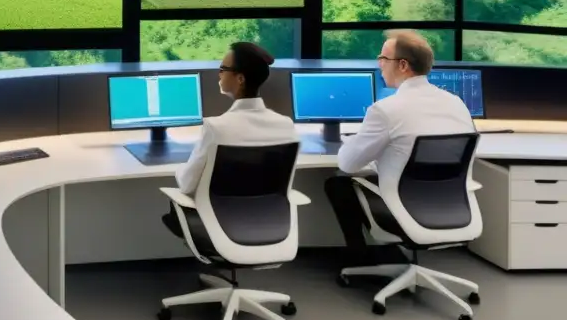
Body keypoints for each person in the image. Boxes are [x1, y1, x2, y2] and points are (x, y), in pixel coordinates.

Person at [324, 30, 476, 263]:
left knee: (338, 181)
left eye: (383, 59)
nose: (380, 65)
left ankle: (360, 256)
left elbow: (348, 163)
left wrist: (355, 141)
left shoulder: (386, 109)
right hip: (453, 208)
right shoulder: (457, 103)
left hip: (405, 209)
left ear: (403, 65)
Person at [164, 42, 297, 238]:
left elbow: (187, 185)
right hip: (272, 222)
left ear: (240, 78)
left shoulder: (216, 128)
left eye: (223, 69)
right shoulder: (285, 125)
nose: (219, 74)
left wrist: (180, 168)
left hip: (221, 225)